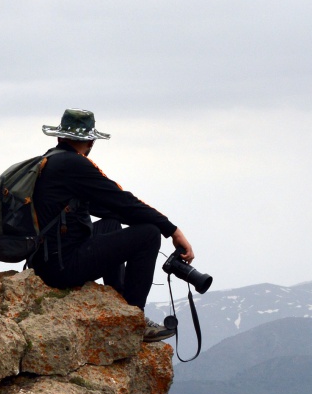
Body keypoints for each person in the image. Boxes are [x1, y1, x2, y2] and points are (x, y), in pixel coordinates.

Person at [30, 107, 194, 344]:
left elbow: (110, 209)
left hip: (45, 261)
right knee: (148, 235)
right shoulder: (75, 165)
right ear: (90, 142)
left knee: (110, 223)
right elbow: (122, 201)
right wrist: (171, 230)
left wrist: (151, 221)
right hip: (61, 268)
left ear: (59, 137)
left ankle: (120, 303)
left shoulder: (51, 161)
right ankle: (133, 320)